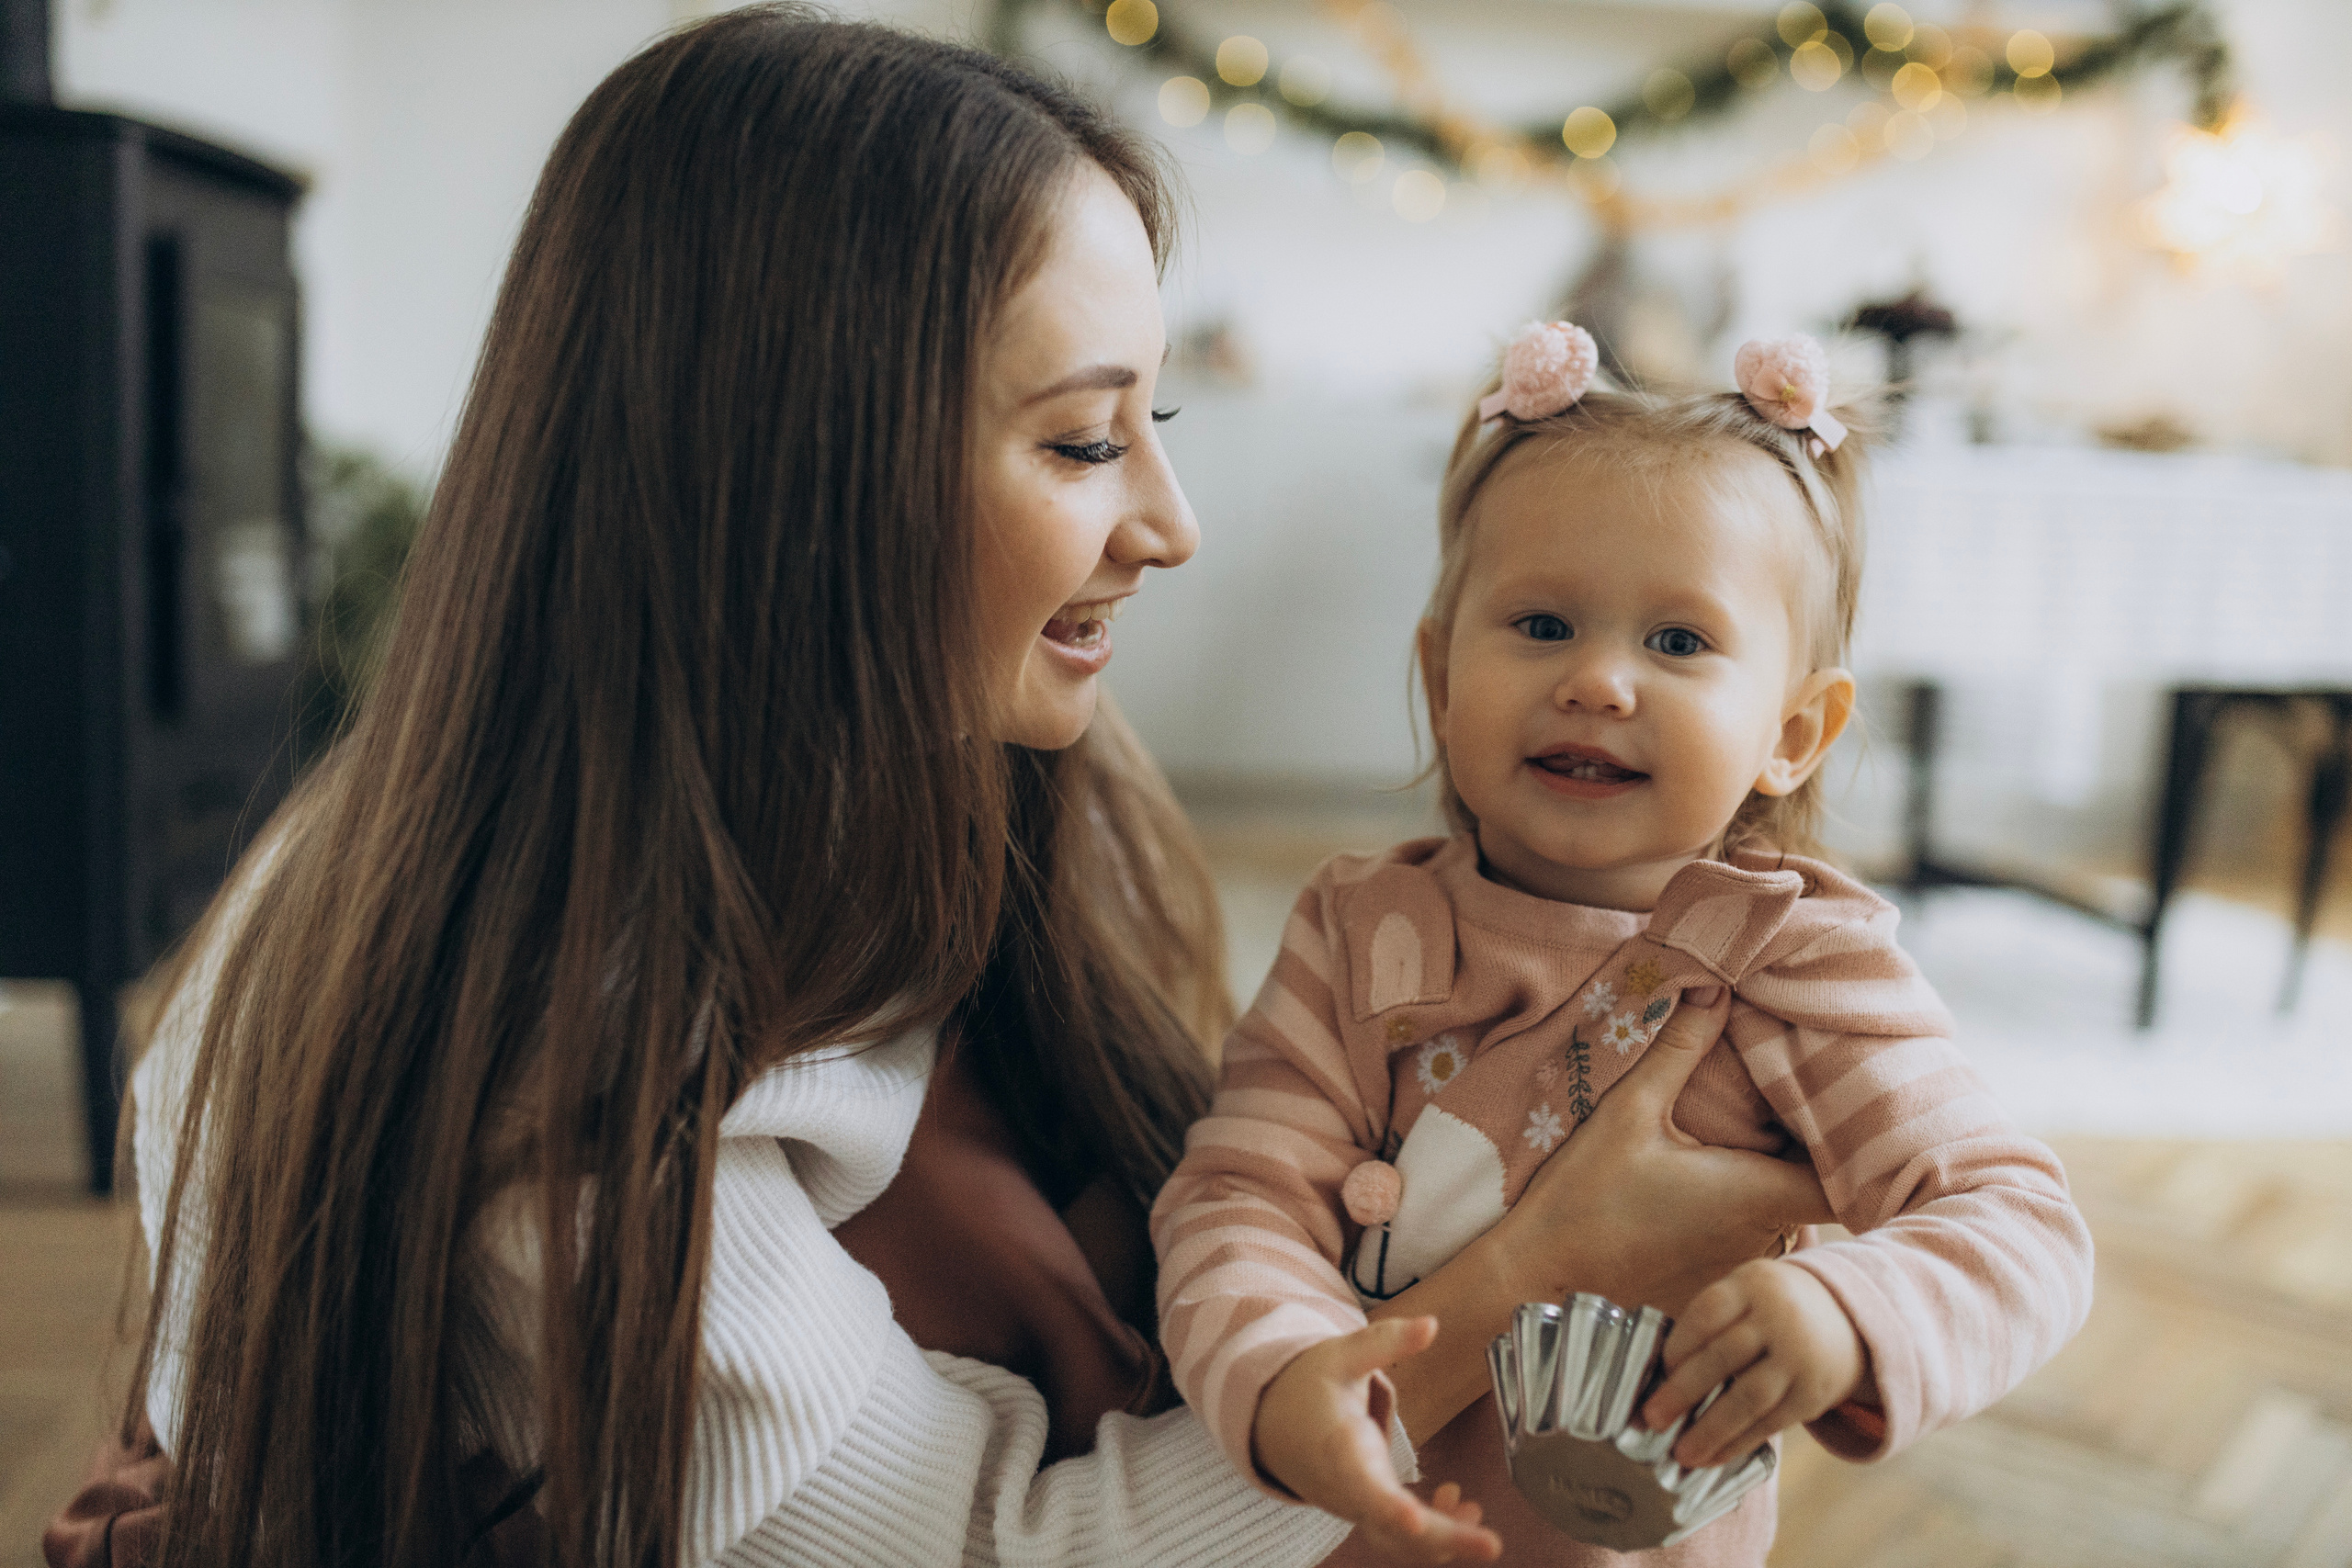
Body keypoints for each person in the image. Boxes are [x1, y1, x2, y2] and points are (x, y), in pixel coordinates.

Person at [54, 19, 1837, 1568]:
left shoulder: (992, 768)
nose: (1169, 525)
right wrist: (1548, 1264)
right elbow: (1010, 1544)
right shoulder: (559, 1104)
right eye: (1081, 439)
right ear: (797, 473)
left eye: (1155, 425)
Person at [1150, 325, 2098, 1565]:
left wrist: (1846, 1306)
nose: (1598, 682)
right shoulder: (1361, 930)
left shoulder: (1795, 962)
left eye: (1679, 642)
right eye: (1543, 624)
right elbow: (1241, 1195)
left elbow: (2019, 1221)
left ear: (1794, 733)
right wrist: (1282, 1377)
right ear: (1441, 679)